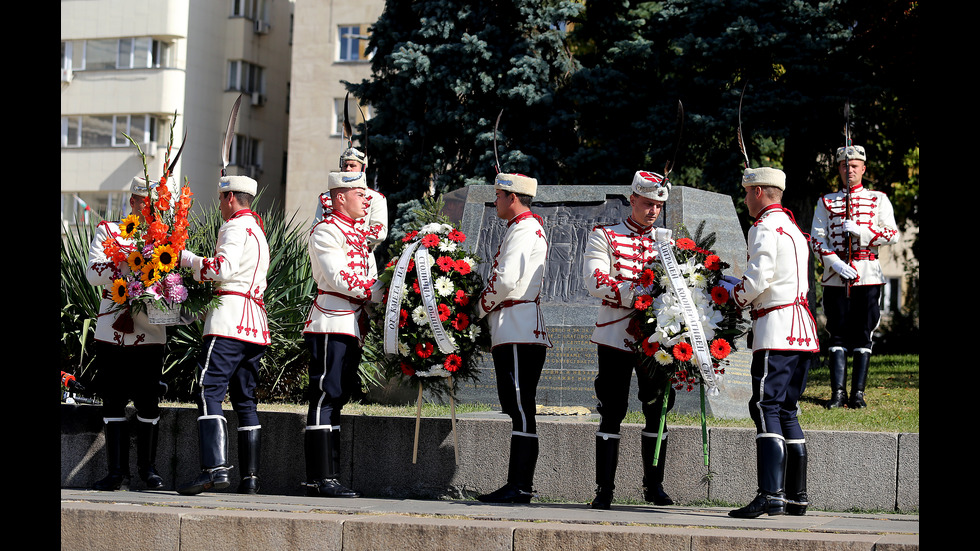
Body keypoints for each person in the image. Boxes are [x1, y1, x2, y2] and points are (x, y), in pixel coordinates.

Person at [722, 167, 819, 518]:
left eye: (749, 192)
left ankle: (770, 495)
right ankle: (796, 496)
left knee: (765, 407)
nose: (745, 198)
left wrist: (733, 297)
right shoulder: (793, 229)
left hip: (776, 330)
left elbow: (758, 279)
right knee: (787, 409)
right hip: (801, 332)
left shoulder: (763, 227)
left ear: (760, 192)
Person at [582, 171, 676, 510]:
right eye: (647, 203)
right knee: (612, 409)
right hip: (615, 336)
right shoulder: (604, 235)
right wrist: (636, 293)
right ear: (632, 199)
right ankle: (604, 489)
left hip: (657, 340)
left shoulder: (668, 241)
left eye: (658, 205)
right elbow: (594, 279)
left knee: (657, 410)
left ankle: (654, 486)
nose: (652, 211)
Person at [176, 175, 270, 495]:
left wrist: (188, 259)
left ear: (230, 197)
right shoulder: (257, 230)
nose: (219, 205)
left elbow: (223, 269)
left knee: (208, 390)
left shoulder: (233, 226)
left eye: (220, 199)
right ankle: (251, 478)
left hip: (229, 322)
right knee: (245, 400)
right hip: (254, 325)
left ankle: (214, 470)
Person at [303, 170, 384, 498]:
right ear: (340, 197)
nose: (367, 199)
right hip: (331, 322)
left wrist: (390, 293)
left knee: (337, 398)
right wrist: (376, 292)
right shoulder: (325, 231)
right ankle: (321, 478)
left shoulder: (361, 238)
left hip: (352, 324)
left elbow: (374, 280)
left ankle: (327, 476)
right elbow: (339, 277)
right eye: (360, 193)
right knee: (325, 395)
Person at [86, 176, 168, 491]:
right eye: (143, 204)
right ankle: (116, 473)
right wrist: (125, 265)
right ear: (132, 203)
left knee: (149, 403)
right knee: (113, 402)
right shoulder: (109, 231)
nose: (149, 211)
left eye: (155, 206)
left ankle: (148, 471)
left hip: (150, 332)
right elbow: (93, 272)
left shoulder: (166, 238)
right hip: (113, 331)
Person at [474, 173, 553, 504]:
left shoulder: (523, 229)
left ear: (512, 197)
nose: (495, 202)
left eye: (499, 195)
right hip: (515, 327)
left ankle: (519, 486)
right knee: (519, 407)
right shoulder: (523, 227)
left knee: (521, 409)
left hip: (518, 328)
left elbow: (506, 279)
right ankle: (518, 485)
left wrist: (476, 308)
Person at [810, 145, 900, 409]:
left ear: (863, 169)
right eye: (843, 166)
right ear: (838, 168)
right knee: (836, 332)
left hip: (867, 274)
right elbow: (816, 239)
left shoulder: (878, 199)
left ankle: (857, 394)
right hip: (836, 276)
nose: (848, 170)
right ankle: (837, 393)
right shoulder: (826, 201)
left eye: (854, 166)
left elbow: (892, 234)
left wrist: (863, 231)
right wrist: (834, 263)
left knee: (863, 332)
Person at [312, 147, 388, 253]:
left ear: (362, 168)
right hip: (332, 251)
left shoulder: (376, 198)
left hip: (361, 257)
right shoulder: (326, 198)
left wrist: (347, 235)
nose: (348, 169)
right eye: (345, 165)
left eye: (352, 166)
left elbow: (380, 231)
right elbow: (316, 227)